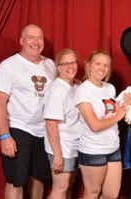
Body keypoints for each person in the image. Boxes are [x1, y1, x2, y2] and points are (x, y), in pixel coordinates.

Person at [0, 24, 55, 199]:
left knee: (38, 178)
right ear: (21, 41)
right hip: (18, 129)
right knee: (16, 180)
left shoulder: (50, 64)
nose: (36, 42)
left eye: (39, 38)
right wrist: (5, 136)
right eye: (31, 37)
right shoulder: (8, 66)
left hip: (43, 132)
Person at [74, 49, 131, 199]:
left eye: (106, 65)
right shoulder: (83, 90)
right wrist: (120, 115)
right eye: (98, 63)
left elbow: (112, 113)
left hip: (113, 147)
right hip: (93, 149)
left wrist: (129, 104)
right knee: (92, 193)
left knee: (111, 195)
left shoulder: (109, 88)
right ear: (89, 65)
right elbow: (94, 125)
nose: (102, 68)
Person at [43, 48, 81, 199]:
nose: (70, 67)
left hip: (75, 144)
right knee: (61, 187)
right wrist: (58, 155)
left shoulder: (76, 85)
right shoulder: (57, 89)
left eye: (73, 62)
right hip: (61, 146)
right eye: (65, 64)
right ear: (58, 67)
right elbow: (50, 124)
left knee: (69, 184)